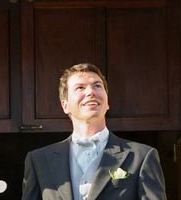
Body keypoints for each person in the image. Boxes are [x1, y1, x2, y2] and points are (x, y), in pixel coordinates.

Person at [22, 63, 166, 200]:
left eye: (97, 86)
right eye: (80, 88)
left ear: (107, 102)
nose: (91, 92)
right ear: (65, 105)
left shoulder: (142, 156)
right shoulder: (39, 161)